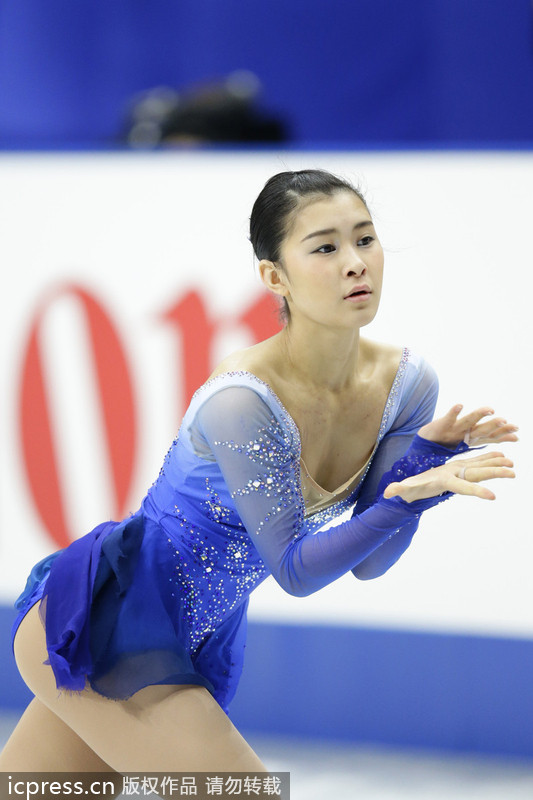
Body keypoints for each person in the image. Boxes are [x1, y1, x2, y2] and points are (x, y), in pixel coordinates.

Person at [0, 170, 517, 781]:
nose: (355, 263)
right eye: (325, 247)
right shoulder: (244, 400)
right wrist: (404, 502)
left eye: (365, 239)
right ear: (275, 277)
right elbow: (296, 571)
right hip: (108, 622)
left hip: (197, 636)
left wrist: (419, 473)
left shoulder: (406, 383)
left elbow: (370, 562)